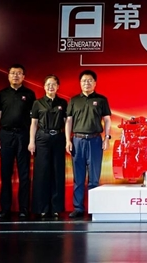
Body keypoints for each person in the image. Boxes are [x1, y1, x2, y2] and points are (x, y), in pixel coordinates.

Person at [65, 69, 112, 219]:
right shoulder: (74, 100)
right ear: (80, 83)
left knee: (94, 178)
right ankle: (78, 208)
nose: (87, 83)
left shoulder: (101, 99)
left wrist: (106, 138)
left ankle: (94, 208)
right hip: (77, 141)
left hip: (95, 141)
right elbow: (69, 121)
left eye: (90, 80)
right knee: (78, 178)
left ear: (95, 83)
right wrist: (68, 140)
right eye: (84, 81)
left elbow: (107, 120)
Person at [0, 64, 37, 219]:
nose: (15, 76)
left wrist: (32, 139)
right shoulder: (2, 94)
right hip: (6, 135)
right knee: (6, 173)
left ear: (23, 77)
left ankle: (24, 209)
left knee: (24, 174)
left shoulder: (30, 94)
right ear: (8, 76)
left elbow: (34, 119)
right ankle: (5, 209)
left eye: (19, 73)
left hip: (23, 135)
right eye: (13, 73)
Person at [28, 75, 67, 219]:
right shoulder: (37, 103)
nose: (51, 87)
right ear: (44, 87)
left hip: (58, 138)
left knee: (57, 172)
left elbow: (67, 123)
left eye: (53, 84)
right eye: (48, 84)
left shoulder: (63, 103)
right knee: (42, 173)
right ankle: (42, 208)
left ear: (58, 87)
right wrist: (31, 142)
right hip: (42, 139)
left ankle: (55, 208)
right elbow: (33, 124)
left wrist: (68, 140)